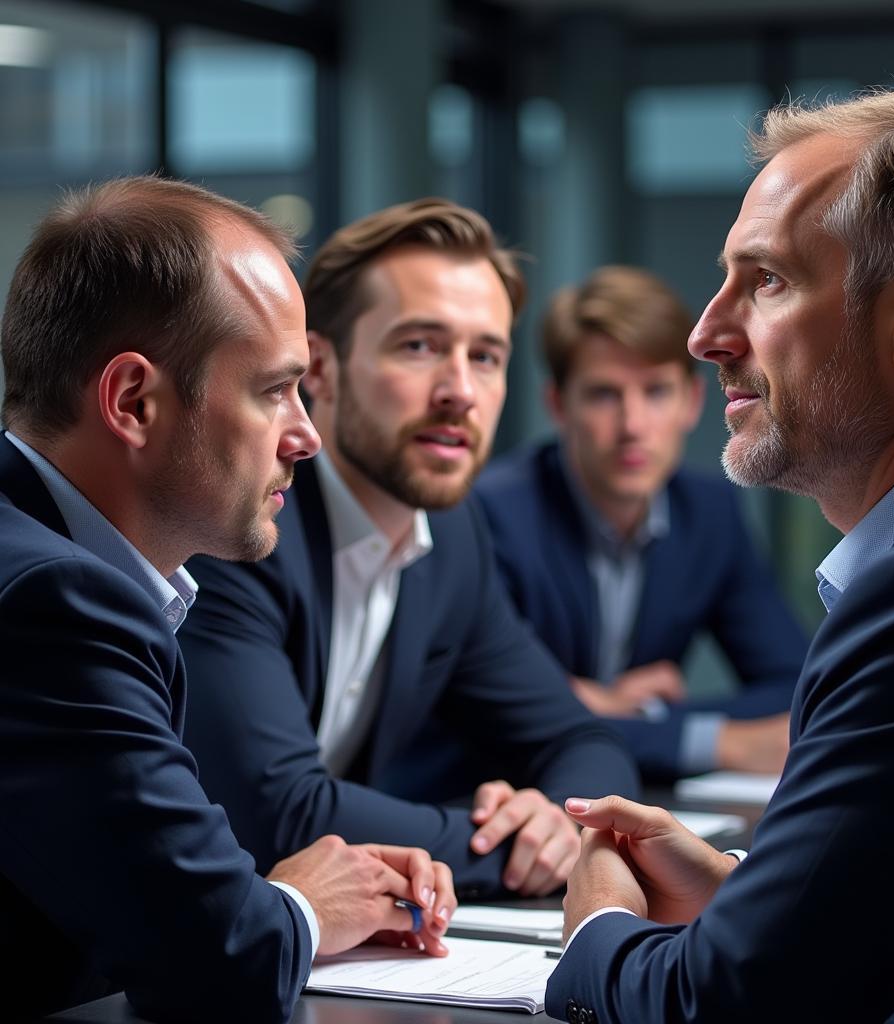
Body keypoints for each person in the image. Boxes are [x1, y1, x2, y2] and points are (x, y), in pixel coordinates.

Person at [547, 91, 894, 1022]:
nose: (705, 335)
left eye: (763, 280)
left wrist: (598, 928)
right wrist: (749, 892)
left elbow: (729, 1008)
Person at [0, 178, 459, 1023]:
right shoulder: (53, 605)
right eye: (274, 389)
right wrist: (303, 906)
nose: (306, 434)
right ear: (134, 402)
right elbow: (219, 960)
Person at [177, 198, 640, 900]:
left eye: (485, 356)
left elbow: (584, 740)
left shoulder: (450, 539)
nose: (460, 392)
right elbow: (276, 813)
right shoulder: (240, 520)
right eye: (419, 346)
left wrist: (562, 820)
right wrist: (514, 848)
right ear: (321, 369)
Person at [475, 265, 807, 781]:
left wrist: (632, 712)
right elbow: (498, 718)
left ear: (692, 403)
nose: (632, 426)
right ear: (559, 406)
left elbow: (793, 687)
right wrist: (713, 742)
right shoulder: (492, 514)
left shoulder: (711, 514)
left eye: (655, 392)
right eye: (604, 395)